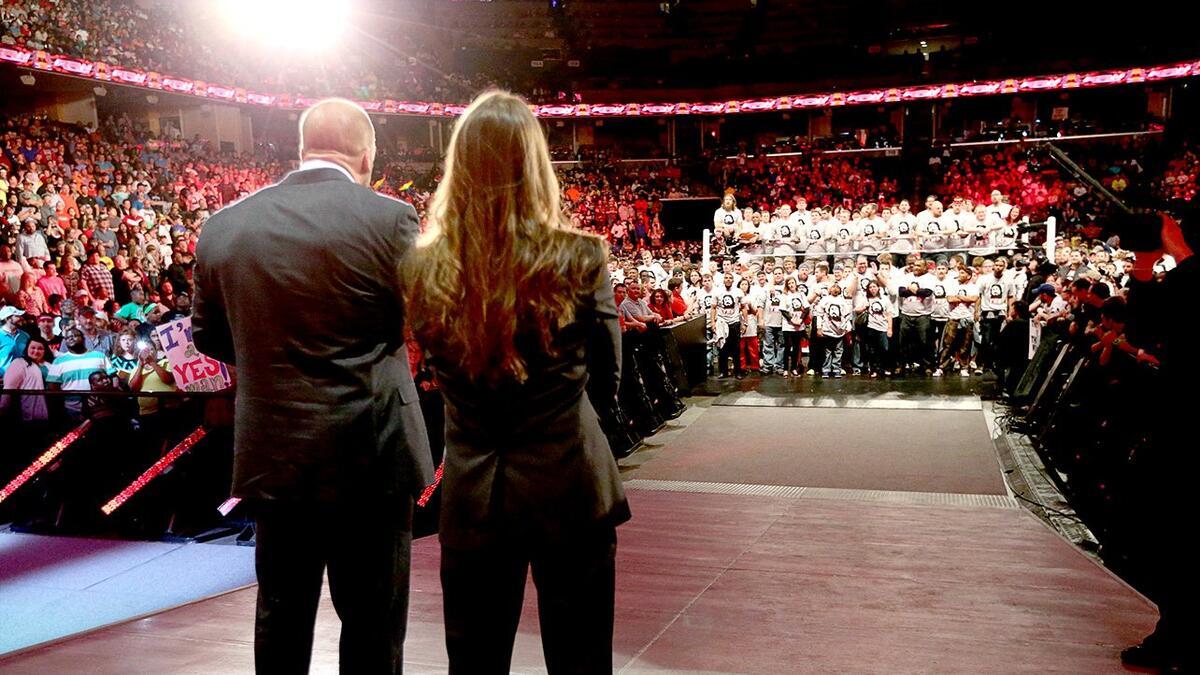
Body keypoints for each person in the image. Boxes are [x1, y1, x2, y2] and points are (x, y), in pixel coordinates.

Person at [193, 98, 434, 674]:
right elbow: (424, 321)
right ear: (367, 152)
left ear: (301, 149)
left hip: (275, 454)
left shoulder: (224, 226)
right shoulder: (391, 218)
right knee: (374, 625)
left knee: (281, 614)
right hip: (371, 453)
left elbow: (208, 336)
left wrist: (272, 359)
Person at [400, 90, 629, 674]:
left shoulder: (422, 267)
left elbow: (433, 372)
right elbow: (608, 381)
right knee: (581, 661)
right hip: (571, 483)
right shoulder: (581, 257)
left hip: (476, 490)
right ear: (535, 164)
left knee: (474, 664)